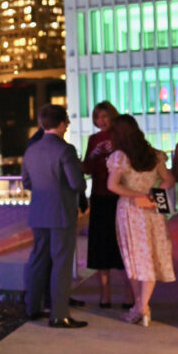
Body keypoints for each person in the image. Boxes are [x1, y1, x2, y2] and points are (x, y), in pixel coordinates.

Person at [22, 104, 88, 328]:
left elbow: (27, 182)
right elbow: (76, 183)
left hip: (38, 211)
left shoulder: (31, 150)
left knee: (38, 259)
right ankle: (59, 314)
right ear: (61, 123)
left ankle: (32, 307)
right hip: (61, 212)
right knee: (61, 262)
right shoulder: (65, 150)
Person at [106, 114, 175, 326]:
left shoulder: (120, 157)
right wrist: (153, 194)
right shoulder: (154, 154)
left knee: (135, 258)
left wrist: (136, 194)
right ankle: (141, 306)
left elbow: (112, 185)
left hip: (130, 210)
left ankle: (141, 307)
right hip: (152, 210)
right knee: (149, 255)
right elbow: (168, 179)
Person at [82, 101, 133, 308]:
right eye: (97, 117)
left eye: (104, 116)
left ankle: (129, 294)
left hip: (119, 194)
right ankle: (105, 294)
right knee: (100, 244)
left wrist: (117, 151)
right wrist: (94, 155)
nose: (101, 121)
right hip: (99, 194)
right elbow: (86, 168)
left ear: (112, 117)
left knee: (121, 244)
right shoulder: (93, 139)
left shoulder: (123, 137)